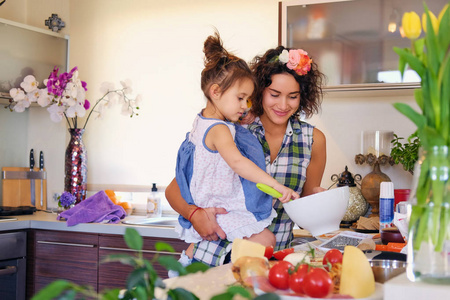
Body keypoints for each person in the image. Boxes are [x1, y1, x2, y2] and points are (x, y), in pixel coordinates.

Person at [166, 44, 326, 267]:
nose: (283, 104)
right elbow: (176, 189)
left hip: (275, 264)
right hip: (216, 254)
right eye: (274, 94)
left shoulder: (312, 140)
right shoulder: (234, 130)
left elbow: (303, 210)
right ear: (259, 92)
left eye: (292, 96)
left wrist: (321, 202)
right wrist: (194, 214)